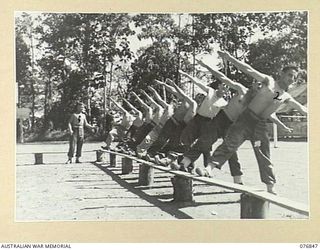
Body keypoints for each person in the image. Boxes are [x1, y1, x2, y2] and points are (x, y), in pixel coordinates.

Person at [195, 51, 307, 194]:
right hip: (246, 119)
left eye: (294, 77)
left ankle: (270, 187)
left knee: (263, 154)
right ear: (282, 73)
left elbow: (301, 108)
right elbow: (248, 69)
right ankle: (208, 169)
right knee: (230, 144)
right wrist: (229, 58)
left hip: (259, 125)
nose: (292, 79)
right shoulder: (269, 81)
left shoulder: (285, 96)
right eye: (290, 75)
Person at [178, 69, 228, 165]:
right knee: (187, 138)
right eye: (223, 86)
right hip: (197, 119)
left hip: (208, 123)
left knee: (206, 146)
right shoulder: (210, 91)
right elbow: (197, 82)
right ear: (219, 86)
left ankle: (207, 168)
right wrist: (185, 74)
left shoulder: (224, 103)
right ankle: (186, 164)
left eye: (227, 88)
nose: (224, 89)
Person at [145, 79, 198, 162]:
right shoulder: (186, 100)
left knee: (173, 142)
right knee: (162, 138)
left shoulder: (196, 107)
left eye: (201, 98)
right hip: (173, 121)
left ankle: (163, 157)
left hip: (180, 126)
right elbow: (175, 91)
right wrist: (165, 84)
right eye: (198, 97)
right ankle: (151, 153)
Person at [136, 86, 174, 155]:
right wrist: (152, 91)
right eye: (172, 101)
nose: (173, 103)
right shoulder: (167, 108)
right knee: (147, 139)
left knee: (157, 145)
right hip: (157, 128)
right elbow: (157, 100)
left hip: (164, 131)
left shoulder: (176, 113)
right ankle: (140, 151)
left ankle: (150, 154)